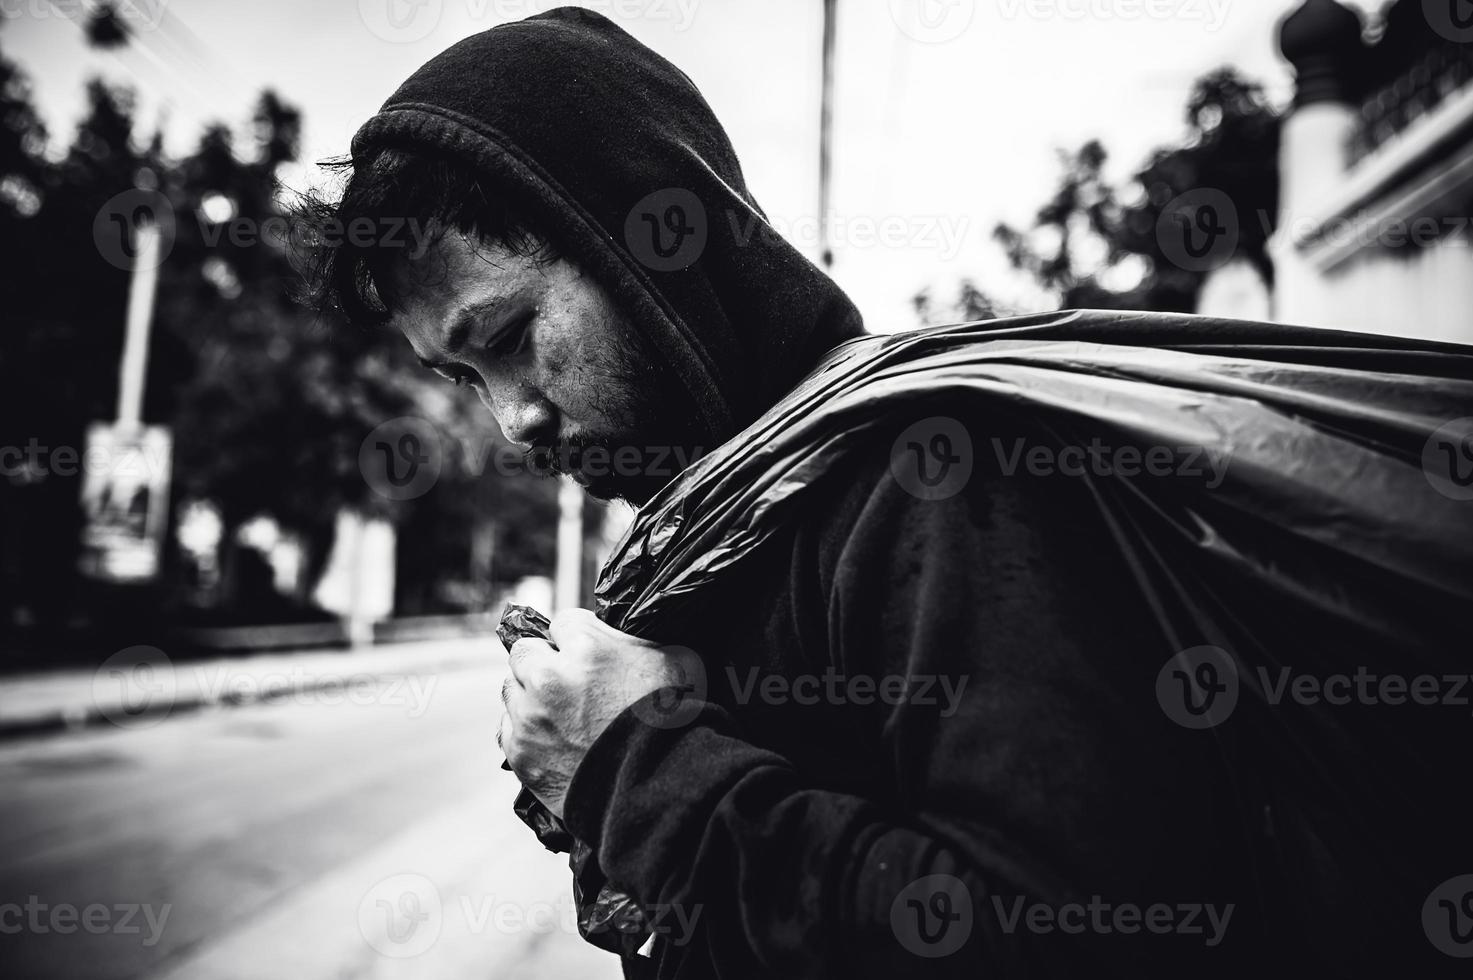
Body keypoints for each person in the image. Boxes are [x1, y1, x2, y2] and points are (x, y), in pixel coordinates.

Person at [301, 8, 1473, 977]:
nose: (514, 420)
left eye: (508, 336)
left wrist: (634, 769)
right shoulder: (735, 528)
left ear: (636, 248)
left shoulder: (933, 479)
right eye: (466, 377)